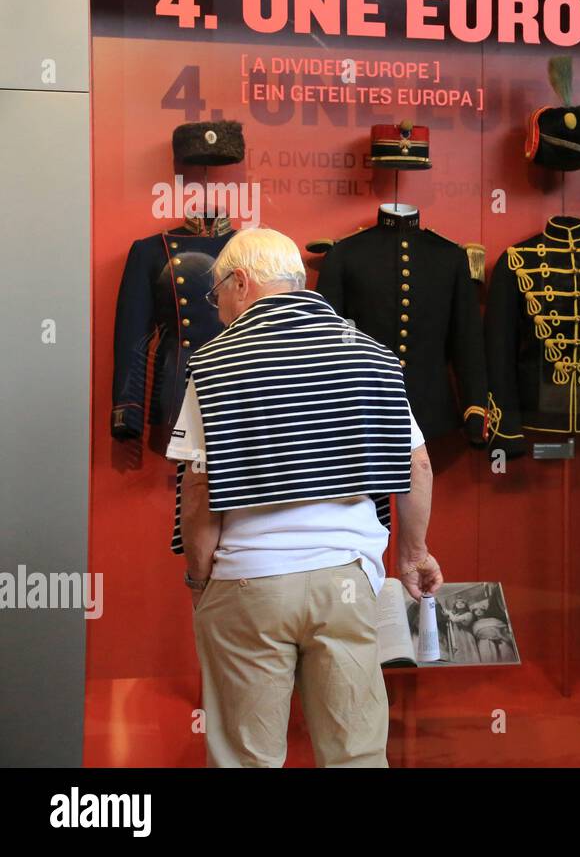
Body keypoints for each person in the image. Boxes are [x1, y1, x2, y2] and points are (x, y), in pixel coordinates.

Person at [170, 228, 442, 767]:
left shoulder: (215, 361)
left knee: (247, 758)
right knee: (356, 754)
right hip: (346, 579)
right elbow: (417, 463)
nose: (218, 308)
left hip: (249, 582)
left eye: (218, 292)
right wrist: (413, 555)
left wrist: (199, 578)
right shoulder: (372, 354)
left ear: (241, 282)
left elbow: (199, 491)